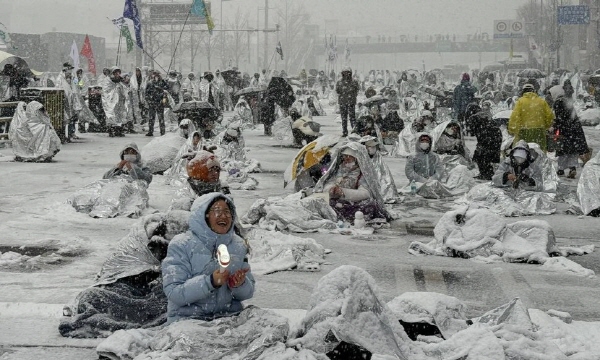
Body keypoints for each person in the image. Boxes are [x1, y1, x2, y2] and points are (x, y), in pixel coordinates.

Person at [162, 193, 254, 323]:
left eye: (227, 212)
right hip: (188, 320)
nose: (224, 216)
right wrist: (210, 282)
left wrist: (240, 284)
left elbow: (248, 293)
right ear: (203, 216)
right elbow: (174, 292)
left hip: (228, 318)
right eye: (217, 211)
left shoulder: (238, 245)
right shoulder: (181, 244)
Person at [317, 144, 389, 223]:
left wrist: (343, 192)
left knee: (370, 206)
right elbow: (329, 183)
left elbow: (366, 193)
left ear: (357, 159)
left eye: (349, 157)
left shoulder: (363, 173)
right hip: (338, 201)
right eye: (345, 156)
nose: (346, 159)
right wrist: (331, 189)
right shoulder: (339, 169)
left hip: (354, 202)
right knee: (323, 203)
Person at [552, 83, 589, 178]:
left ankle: (560, 169)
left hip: (565, 129)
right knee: (572, 150)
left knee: (562, 150)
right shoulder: (566, 100)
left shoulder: (558, 102)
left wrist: (555, 127)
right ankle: (572, 168)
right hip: (574, 128)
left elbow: (559, 118)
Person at [508, 83, 554, 152]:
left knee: (523, 152)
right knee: (539, 152)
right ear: (534, 91)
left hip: (523, 132)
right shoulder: (541, 101)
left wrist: (512, 130)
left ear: (523, 91)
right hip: (539, 131)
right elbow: (550, 116)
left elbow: (515, 117)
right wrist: (546, 125)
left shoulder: (520, 102)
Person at [469, 101, 502, 180]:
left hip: (489, 138)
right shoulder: (481, 117)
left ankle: (486, 173)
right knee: (484, 155)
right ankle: (486, 172)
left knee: (482, 155)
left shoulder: (475, 119)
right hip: (493, 138)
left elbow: (475, 133)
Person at [335, 67, 360, 137]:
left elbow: (357, 90)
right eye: (345, 73)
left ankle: (354, 131)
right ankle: (345, 132)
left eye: (347, 73)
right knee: (344, 118)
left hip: (349, 102)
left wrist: (350, 95)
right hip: (344, 102)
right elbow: (337, 91)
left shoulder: (353, 82)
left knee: (351, 118)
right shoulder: (340, 82)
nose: (346, 74)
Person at [145, 70, 168, 137]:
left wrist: (163, 101)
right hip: (152, 103)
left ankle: (162, 132)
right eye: (155, 74)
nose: (156, 76)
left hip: (160, 103)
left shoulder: (163, 82)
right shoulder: (150, 83)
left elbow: (166, 92)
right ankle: (150, 131)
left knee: (161, 118)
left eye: (157, 74)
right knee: (151, 118)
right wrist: (149, 101)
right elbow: (146, 93)